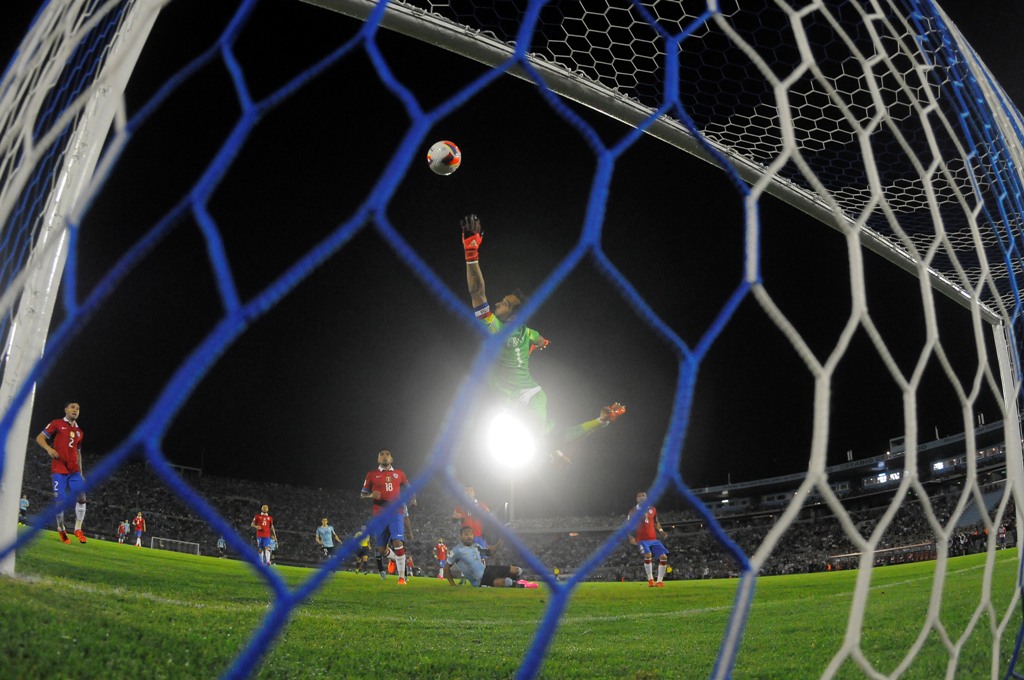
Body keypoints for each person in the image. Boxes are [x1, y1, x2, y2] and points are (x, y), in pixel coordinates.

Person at [460, 214, 626, 465]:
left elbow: (477, 292)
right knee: (543, 440)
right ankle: (551, 451)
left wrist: (472, 251)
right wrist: (539, 344)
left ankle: (550, 451)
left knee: (542, 441)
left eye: (504, 303)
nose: (497, 303)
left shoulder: (512, 330)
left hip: (526, 397)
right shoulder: (508, 329)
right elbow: (539, 338)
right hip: (516, 398)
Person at [35, 401, 88, 544]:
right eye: (72, 407)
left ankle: (78, 529)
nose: (75, 410)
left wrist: (81, 473)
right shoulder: (57, 423)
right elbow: (40, 438)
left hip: (74, 471)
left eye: (78, 408)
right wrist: (49, 449)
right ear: (66, 409)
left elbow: (78, 454)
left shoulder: (79, 432)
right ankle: (61, 529)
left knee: (82, 497)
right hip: (59, 468)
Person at [360, 448, 415, 585]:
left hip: (396, 511)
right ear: (378, 459)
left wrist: (413, 498)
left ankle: (401, 577)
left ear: (391, 459)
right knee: (381, 549)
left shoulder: (399, 474)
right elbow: (362, 494)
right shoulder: (371, 474)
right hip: (379, 513)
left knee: (397, 541)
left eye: (387, 455)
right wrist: (370, 495)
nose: (385, 457)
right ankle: (394, 558)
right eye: (381, 455)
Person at [444, 525, 524, 587]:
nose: (469, 536)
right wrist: (452, 584)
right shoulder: (457, 550)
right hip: (480, 580)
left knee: (518, 570)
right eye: (466, 534)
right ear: (461, 536)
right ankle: (513, 583)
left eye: (471, 534)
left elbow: (489, 552)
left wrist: (500, 542)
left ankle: (514, 581)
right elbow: (446, 567)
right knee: (507, 582)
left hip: (487, 569)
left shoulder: (476, 546)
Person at [628, 491, 669, 587]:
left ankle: (659, 581)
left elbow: (656, 522)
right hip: (641, 539)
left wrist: (661, 531)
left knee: (663, 557)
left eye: (643, 496)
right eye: (639, 496)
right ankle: (650, 579)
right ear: (636, 499)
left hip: (653, 539)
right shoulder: (633, 511)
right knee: (648, 554)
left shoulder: (652, 509)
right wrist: (631, 537)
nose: (641, 497)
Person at [452, 486, 491, 556]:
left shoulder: (481, 504)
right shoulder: (460, 507)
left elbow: (488, 516)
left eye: (470, 490)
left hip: (479, 536)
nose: (468, 492)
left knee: (481, 558)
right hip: (467, 537)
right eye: (466, 490)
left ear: (474, 493)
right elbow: (454, 520)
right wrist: (456, 517)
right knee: (467, 558)